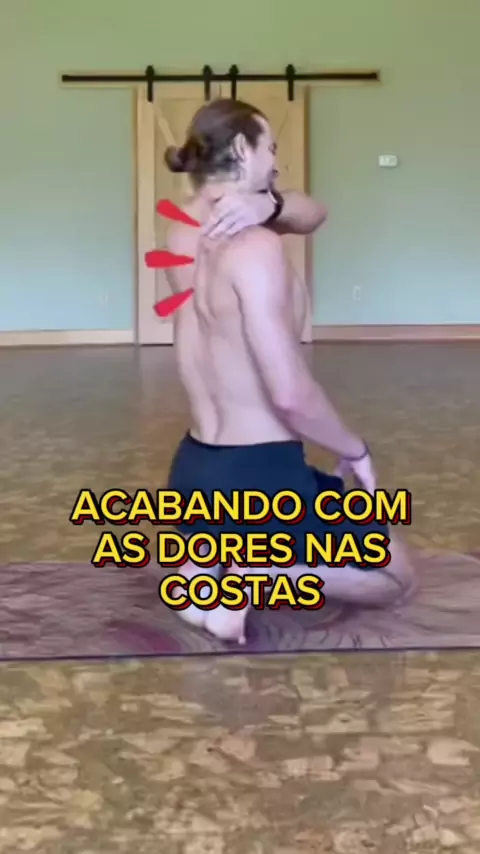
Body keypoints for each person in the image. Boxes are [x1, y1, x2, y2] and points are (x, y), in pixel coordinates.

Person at [162, 97, 415, 643]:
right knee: (396, 576)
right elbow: (290, 396)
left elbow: (311, 212)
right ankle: (257, 576)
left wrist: (267, 202)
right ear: (241, 149)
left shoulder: (181, 233)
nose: (276, 162)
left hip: (194, 472)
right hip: (261, 477)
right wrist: (355, 449)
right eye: (270, 148)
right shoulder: (255, 248)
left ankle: (208, 571)